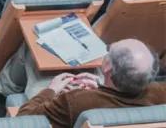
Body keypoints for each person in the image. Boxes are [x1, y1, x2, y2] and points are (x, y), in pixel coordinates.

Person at [17, 39, 166, 128]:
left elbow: (24, 121)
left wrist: (51, 90)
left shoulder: (75, 101)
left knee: (29, 51)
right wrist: (102, 88)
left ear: (107, 68)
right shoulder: (161, 93)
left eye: (109, 50)